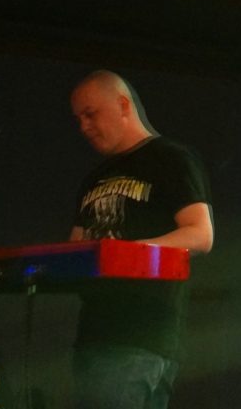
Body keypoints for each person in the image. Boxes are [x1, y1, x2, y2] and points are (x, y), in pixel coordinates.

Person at [69, 70, 214, 409]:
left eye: (91, 114)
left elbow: (200, 234)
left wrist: (124, 254)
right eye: (79, 119)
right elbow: (76, 245)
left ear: (123, 105)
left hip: (141, 335)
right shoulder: (95, 178)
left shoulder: (170, 158)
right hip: (93, 334)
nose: (84, 127)